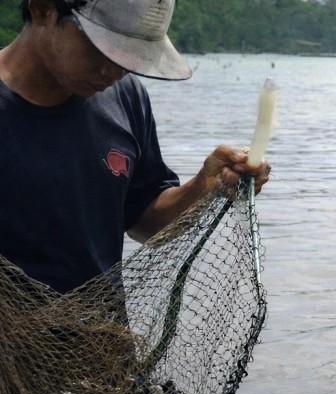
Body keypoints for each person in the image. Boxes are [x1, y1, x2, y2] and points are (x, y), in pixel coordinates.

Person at [0, 0, 271, 295]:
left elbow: (146, 225)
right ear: (43, 10)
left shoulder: (126, 96)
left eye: (129, 56)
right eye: (101, 49)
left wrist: (205, 186)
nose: (115, 70)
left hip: (101, 336)